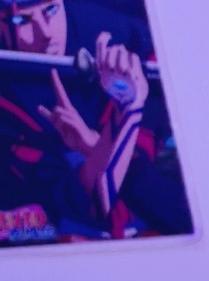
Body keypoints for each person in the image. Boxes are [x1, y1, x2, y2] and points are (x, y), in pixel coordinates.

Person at [0, 0, 191, 243]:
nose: (45, 32)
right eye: (22, 20)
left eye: (51, 10)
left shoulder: (130, 41)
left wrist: (109, 130)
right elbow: (90, 203)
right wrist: (118, 122)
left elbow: (176, 213)